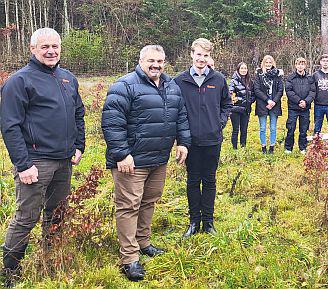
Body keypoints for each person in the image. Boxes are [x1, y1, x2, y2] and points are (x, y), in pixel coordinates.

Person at [0, 27, 85, 287]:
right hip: (36, 163)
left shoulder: (68, 78)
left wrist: (79, 145)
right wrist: (24, 164)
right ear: (32, 49)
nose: (51, 51)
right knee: (26, 218)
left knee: (57, 214)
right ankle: (10, 271)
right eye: (44, 46)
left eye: (55, 46)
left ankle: (50, 260)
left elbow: (78, 114)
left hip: (64, 161)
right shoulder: (19, 81)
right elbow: (10, 125)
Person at [102, 45, 190, 281]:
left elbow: (181, 116)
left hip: (158, 159)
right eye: (151, 60)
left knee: (149, 202)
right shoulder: (125, 85)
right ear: (140, 60)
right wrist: (121, 154)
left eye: (160, 61)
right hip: (131, 162)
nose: (156, 65)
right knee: (129, 206)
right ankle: (129, 258)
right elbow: (112, 122)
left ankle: (143, 242)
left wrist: (183, 142)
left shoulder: (171, 86)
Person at [174, 38, 232, 237]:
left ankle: (208, 222)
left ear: (210, 57)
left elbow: (227, 104)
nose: (201, 58)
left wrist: (219, 122)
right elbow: (173, 109)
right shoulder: (179, 81)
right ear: (191, 54)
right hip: (190, 142)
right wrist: (180, 137)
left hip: (212, 140)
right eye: (198, 54)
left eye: (206, 55)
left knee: (209, 181)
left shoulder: (218, 79)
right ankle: (193, 222)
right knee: (192, 181)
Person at [253, 55, 284, 154]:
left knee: (273, 128)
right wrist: (267, 100)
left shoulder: (278, 75)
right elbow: (256, 90)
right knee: (262, 128)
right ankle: (263, 147)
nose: (268, 64)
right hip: (262, 103)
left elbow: (280, 90)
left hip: (275, 104)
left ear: (273, 63)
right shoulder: (259, 74)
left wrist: (273, 101)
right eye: (266, 62)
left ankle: (272, 147)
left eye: (270, 62)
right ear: (263, 63)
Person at [284, 57, 315, 153]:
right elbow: (289, 91)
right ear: (295, 65)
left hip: (305, 108)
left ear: (305, 65)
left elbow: (313, 91)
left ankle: (303, 147)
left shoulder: (310, 78)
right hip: (293, 108)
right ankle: (288, 148)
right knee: (291, 128)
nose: (300, 66)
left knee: (304, 129)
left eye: (302, 64)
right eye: (298, 64)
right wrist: (298, 101)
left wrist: (306, 101)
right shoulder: (290, 78)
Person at [229, 62, 253, 149]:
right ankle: (234, 149)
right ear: (238, 70)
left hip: (246, 109)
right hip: (236, 109)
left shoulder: (249, 81)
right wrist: (240, 100)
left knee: (244, 130)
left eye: (245, 68)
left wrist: (249, 101)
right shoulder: (233, 81)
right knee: (235, 130)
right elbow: (230, 94)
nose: (243, 70)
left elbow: (253, 94)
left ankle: (243, 148)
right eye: (242, 68)